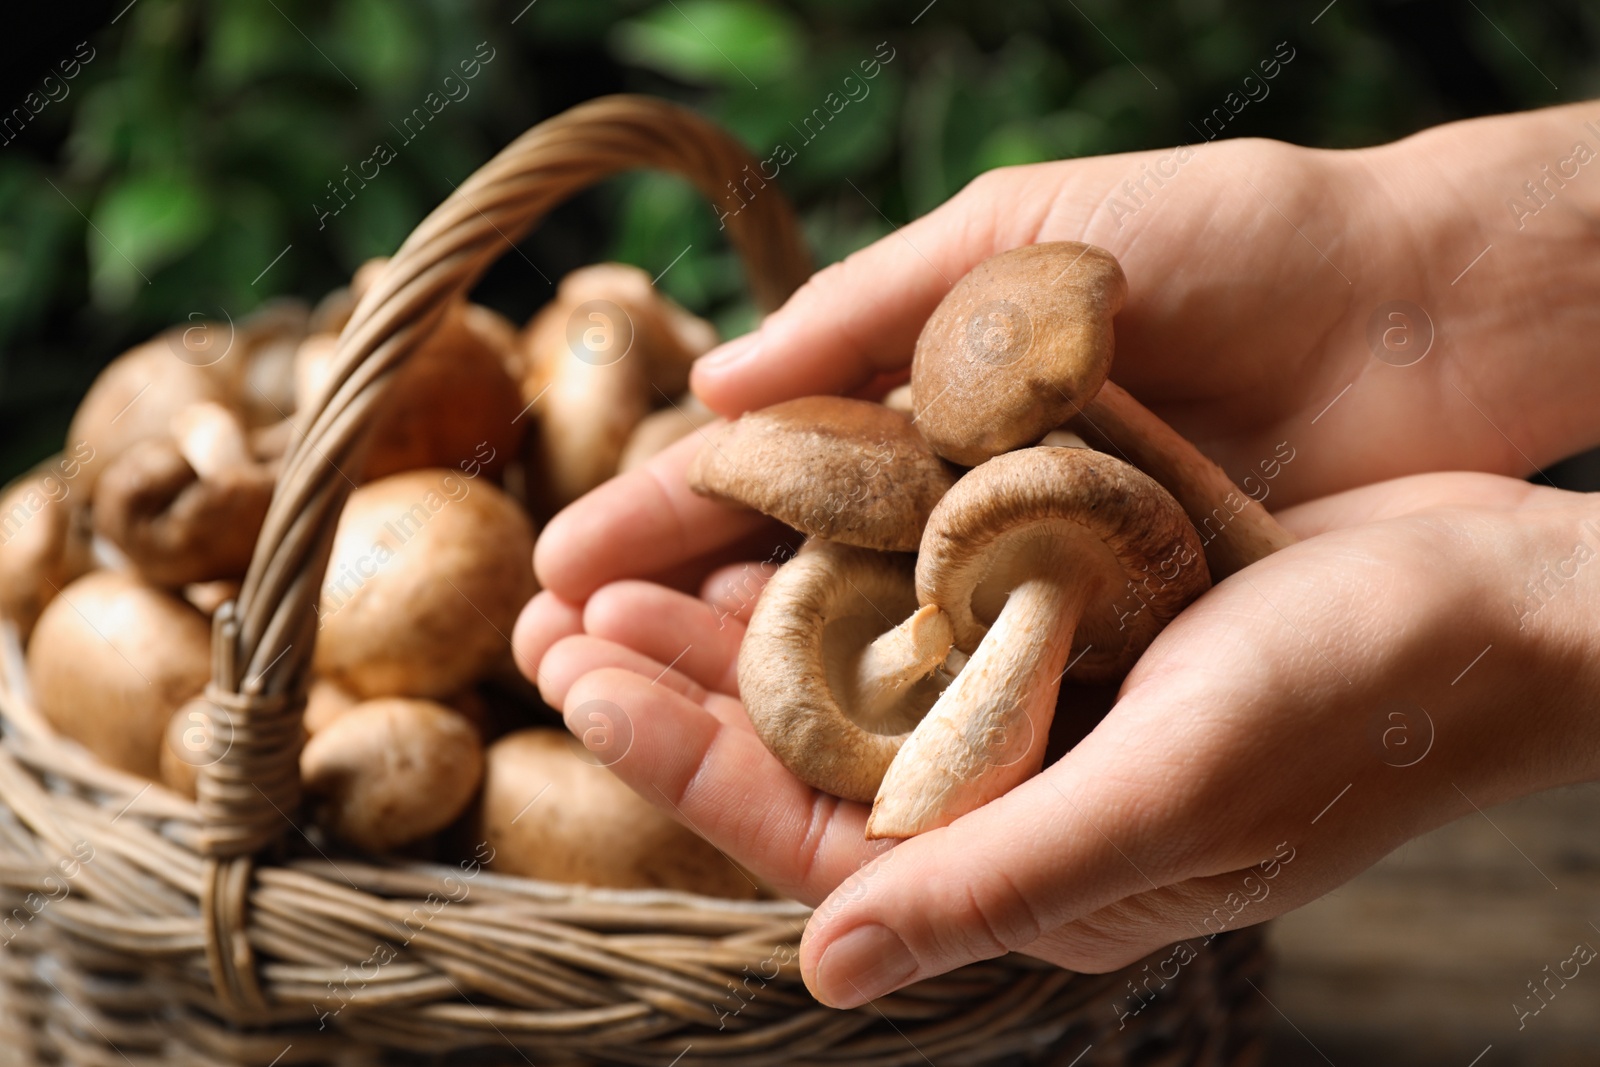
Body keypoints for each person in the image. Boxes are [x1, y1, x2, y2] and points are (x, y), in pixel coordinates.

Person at [513, 101, 1600, 1010]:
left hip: (1050, 546)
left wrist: (1520, 617)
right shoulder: (932, 556)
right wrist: (1410, 246)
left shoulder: (1041, 489)